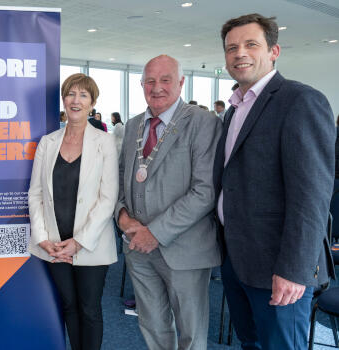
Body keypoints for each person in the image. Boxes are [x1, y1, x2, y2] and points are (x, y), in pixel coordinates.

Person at [214, 14, 334, 350]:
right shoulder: (234, 111)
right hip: (236, 258)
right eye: (232, 48)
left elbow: (311, 197)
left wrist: (295, 270)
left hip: (279, 267)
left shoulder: (299, 101)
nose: (240, 53)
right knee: (250, 342)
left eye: (251, 44)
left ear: (274, 51)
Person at [116, 55, 221, 350]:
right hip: (138, 248)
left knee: (191, 333)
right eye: (150, 81)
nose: (157, 87)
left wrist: (155, 233)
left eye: (166, 80)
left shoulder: (203, 123)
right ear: (141, 85)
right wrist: (123, 217)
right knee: (152, 326)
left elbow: (206, 191)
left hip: (184, 249)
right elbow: (121, 181)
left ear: (181, 83)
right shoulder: (134, 125)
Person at [28, 73, 118, 350]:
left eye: (83, 95)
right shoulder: (48, 142)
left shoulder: (105, 142)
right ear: (64, 99)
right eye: (71, 94)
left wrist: (79, 242)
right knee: (69, 307)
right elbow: (36, 194)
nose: (76, 101)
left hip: (90, 244)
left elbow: (108, 197)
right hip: (54, 244)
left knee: (89, 309)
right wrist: (42, 238)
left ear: (92, 103)